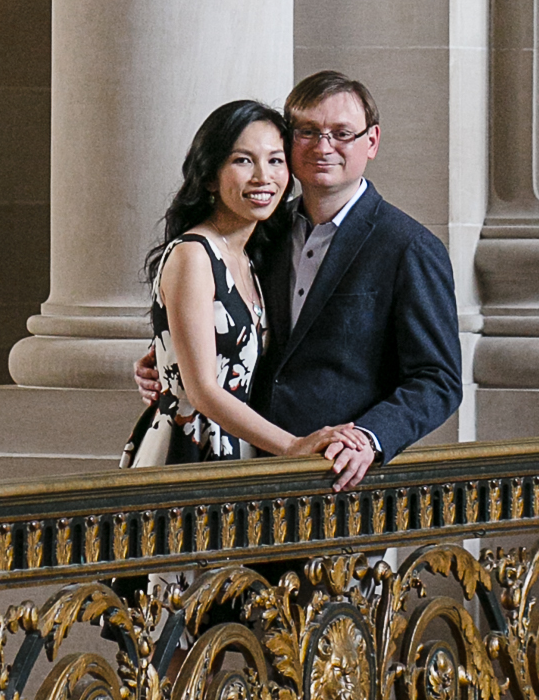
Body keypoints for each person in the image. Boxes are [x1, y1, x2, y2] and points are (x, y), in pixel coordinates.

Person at [132, 69, 462, 491]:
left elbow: (438, 379)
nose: (324, 147)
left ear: (372, 142)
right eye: (307, 131)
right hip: (241, 463)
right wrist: (166, 358)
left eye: (342, 133)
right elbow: (226, 323)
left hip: (334, 476)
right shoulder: (262, 232)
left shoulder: (409, 246)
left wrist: (367, 438)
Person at [121, 99, 342, 471]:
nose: (263, 177)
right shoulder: (194, 254)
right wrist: (294, 446)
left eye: (275, 160)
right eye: (243, 160)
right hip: (187, 448)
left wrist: (162, 357)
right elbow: (203, 390)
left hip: (236, 448)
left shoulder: (250, 256)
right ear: (210, 176)